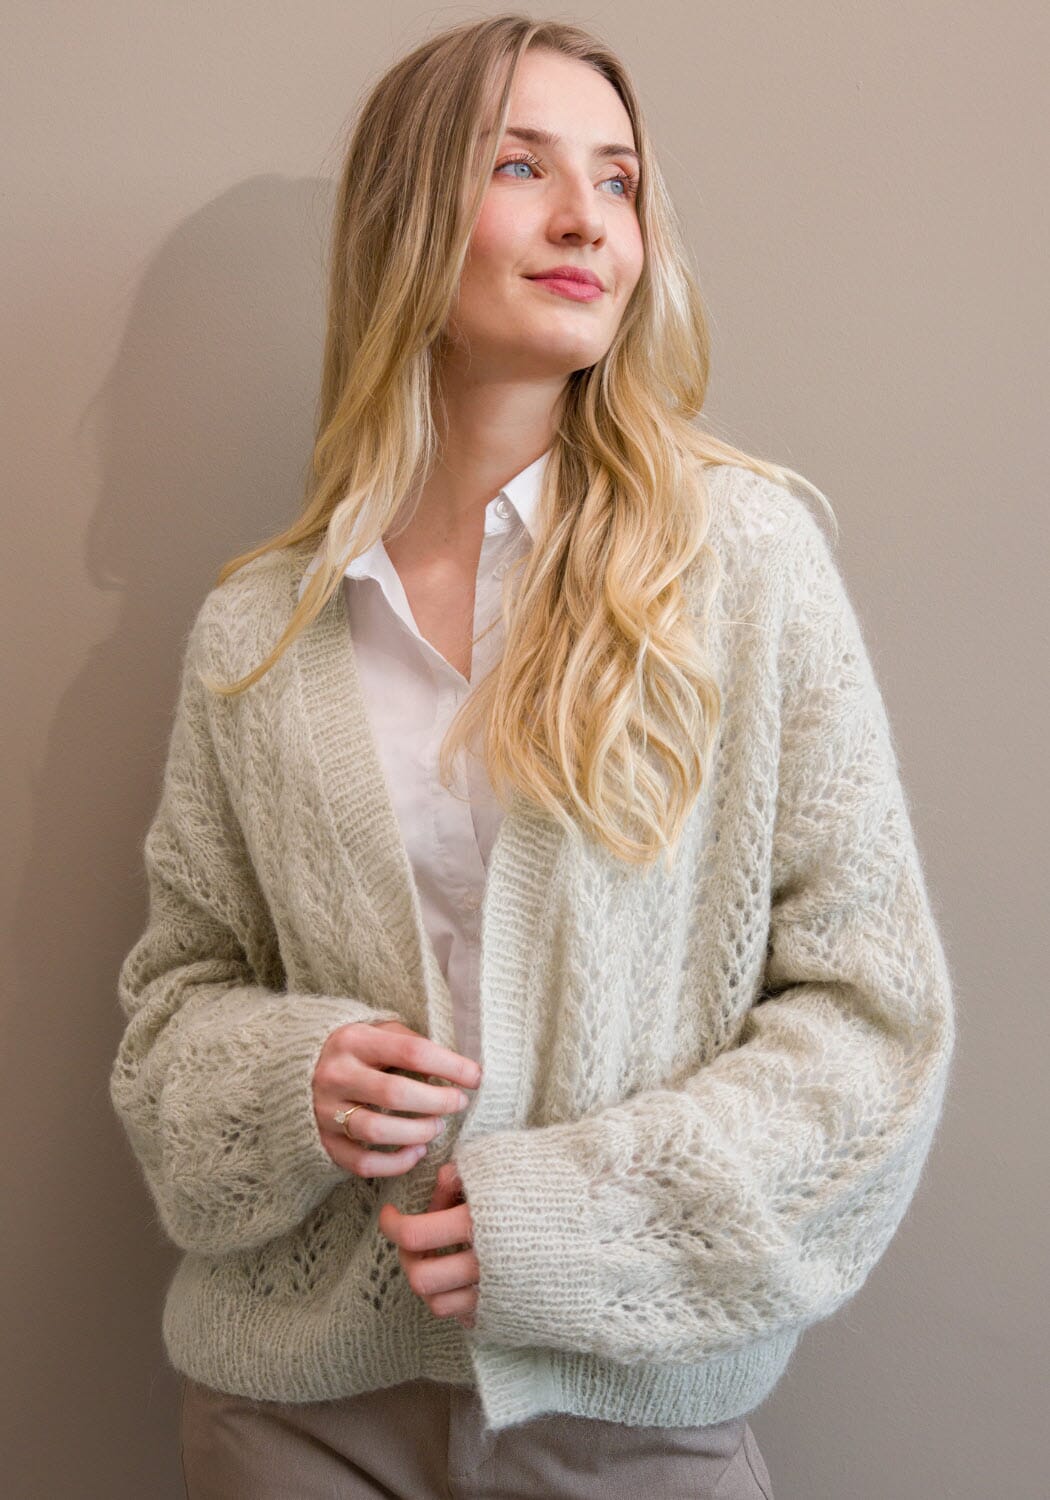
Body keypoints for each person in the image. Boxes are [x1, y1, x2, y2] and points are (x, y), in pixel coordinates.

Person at [109, 13, 955, 1499]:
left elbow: (872, 1019)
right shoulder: (261, 630)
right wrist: (295, 1079)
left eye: (618, 180)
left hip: (629, 1417)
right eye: (521, 167)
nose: (587, 220)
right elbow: (174, 1005)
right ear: (405, 221)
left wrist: (574, 1228)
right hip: (288, 1417)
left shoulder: (742, 565)